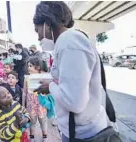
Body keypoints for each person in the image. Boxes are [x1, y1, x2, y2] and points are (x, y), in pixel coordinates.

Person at [33, 1, 121, 142]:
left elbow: (74, 102)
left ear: (47, 23)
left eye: (37, 30)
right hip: (78, 130)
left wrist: (50, 86)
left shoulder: (69, 42)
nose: (38, 37)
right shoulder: (67, 42)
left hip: (84, 134)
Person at [23, 57, 48, 142]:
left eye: (31, 66)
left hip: (41, 104)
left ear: (38, 67)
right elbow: (24, 92)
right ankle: (32, 136)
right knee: (32, 122)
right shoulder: (26, 78)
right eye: (28, 66)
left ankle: (45, 136)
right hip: (31, 105)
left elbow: (47, 92)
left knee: (43, 121)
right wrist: (23, 105)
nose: (28, 67)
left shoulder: (43, 77)